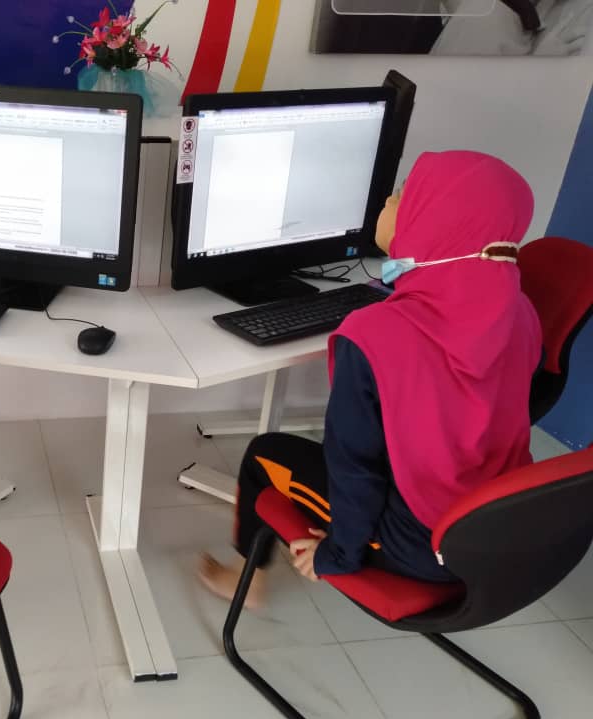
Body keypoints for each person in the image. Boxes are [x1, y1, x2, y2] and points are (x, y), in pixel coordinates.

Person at [199, 150, 542, 606]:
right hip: (497, 528)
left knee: (263, 455)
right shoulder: (520, 312)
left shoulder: (375, 334)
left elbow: (354, 464)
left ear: (433, 221)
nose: (387, 201)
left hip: (422, 546)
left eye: (402, 195)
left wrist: (338, 555)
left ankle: (248, 583)